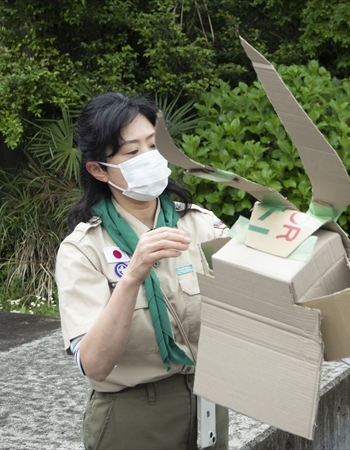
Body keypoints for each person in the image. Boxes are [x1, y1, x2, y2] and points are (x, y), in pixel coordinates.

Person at [55, 92, 229, 450]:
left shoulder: (201, 225)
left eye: (153, 145)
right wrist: (132, 275)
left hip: (208, 401)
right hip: (132, 416)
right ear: (98, 169)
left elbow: (254, 297)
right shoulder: (82, 249)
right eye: (132, 153)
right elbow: (94, 365)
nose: (149, 158)